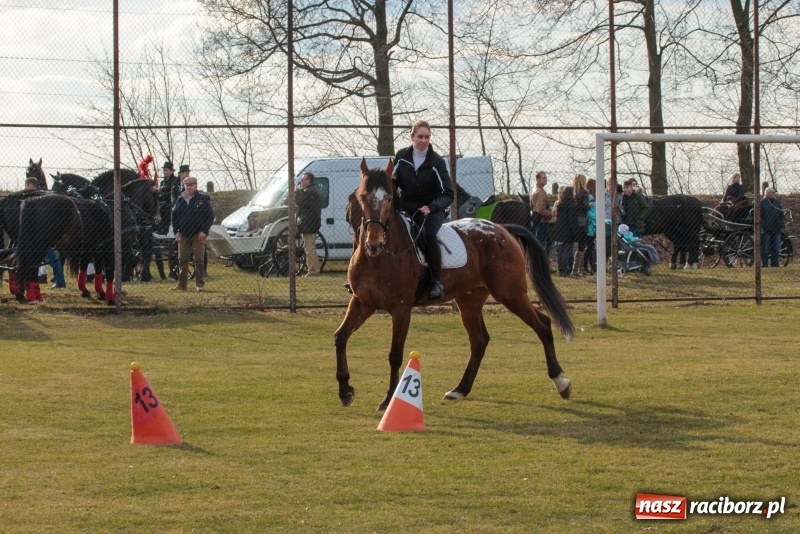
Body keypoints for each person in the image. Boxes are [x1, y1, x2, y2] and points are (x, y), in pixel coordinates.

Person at [393, 119, 454, 300]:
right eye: (420, 136)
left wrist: (432, 207)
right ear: (411, 137)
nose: (424, 140)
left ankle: (436, 280)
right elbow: (392, 183)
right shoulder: (401, 156)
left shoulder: (437, 162)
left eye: (427, 137)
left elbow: (448, 194)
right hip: (406, 207)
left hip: (431, 210)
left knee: (427, 235)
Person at [171, 175, 215, 291]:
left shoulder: (202, 199)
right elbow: (174, 217)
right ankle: (182, 285)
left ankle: (200, 285)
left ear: (195, 186)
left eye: (191, 185)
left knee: (199, 260)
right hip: (183, 235)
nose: (189, 187)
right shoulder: (179, 200)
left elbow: (210, 216)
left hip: (198, 235)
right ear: (184, 186)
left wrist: (204, 231)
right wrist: (176, 232)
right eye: (187, 185)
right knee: (182, 260)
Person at [25, 177, 66, 289]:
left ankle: (60, 282)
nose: (26, 188)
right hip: (41, 236)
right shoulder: (40, 198)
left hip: (43, 236)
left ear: (31, 185)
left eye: (28, 186)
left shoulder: (40, 197)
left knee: (53, 260)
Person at [295, 171, 322, 276]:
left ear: (309, 180)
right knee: (309, 247)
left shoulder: (310, 192)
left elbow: (299, 201)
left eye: (304, 179)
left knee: (309, 248)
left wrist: (296, 191)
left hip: (309, 223)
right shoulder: (310, 191)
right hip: (309, 223)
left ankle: (313, 270)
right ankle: (314, 269)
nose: (302, 181)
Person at [553, 186, 579, 277]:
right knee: (566, 250)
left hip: (560, 229)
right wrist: (575, 233)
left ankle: (560, 269)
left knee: (560, 250)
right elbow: (572, 221)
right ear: (570, 193)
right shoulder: (572, 205)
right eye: (574, 192)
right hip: (568, 230)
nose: (575, 194)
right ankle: (564, 270)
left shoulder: (560, 204)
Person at [530, 170, 554, 257]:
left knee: (545, 243)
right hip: (542, 221)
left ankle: (543, 263)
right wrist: (551, 214)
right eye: (543, 178)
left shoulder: (535, 189)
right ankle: (542, 263)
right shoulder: (540, 192)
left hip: (538, 220)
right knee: (543, 244)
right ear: (537, 179)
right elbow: (540, 209)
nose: (546, 179)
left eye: (546, 177)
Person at [571, 173, 591, 276]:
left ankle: (575, 269)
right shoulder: (585, 193)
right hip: (582, 219)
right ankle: (580, 268)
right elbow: (585, 206)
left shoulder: (573, 192)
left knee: (577, 243)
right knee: (582, 243)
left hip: (574, 218)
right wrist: (590, 204)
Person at [760, 187, 784, 268]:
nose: (774, 194)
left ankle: (775, 264)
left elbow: (781, 214)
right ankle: (765, 264)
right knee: (765, 249)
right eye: (773, 192)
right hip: (766, 230)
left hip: (776, 229)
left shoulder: (777, 203)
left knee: (776, 249)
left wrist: (781, 224)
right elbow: (759, 216)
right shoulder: (762, 203)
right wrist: (764, 225)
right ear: (768, 193)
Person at [156, 161, 181, 235]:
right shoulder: (163, 182)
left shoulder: (175, 180)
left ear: (171, 171)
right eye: (164, 170)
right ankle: (158, 228)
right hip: (161, 202)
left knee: (165, 209)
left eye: (166, 170)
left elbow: (172, 192)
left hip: (169, 202)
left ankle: (164, 229)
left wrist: (161, 194)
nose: (164, 172)